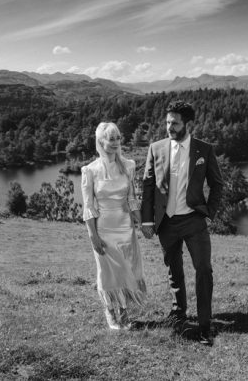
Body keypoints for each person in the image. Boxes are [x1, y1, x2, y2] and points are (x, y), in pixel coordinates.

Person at [141, 99, 224, 346]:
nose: (170, 127)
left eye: (175, 123)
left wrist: (210, 211)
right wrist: (147, 220)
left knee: (204, 270)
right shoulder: (156, 148)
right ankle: (179, 315)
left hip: (194, 220)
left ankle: (205, 323)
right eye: (167, 122)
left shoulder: (204, 149)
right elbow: (147, 185)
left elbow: (217, 184)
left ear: (187, 124)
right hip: (166, 223)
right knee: (173, 271)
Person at [81, 121, 147, 330]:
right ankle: (109, 312)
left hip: (126, 228)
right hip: (103, 230)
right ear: (101, 142)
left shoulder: (128, 165)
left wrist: (142, 223)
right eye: (111, 139)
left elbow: (132, 199)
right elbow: (88, 206)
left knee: (127, 270)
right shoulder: (89, 170)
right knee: (107, 272)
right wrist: (93, 235)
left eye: (118, 138)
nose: (116, 142)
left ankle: (124, 313)